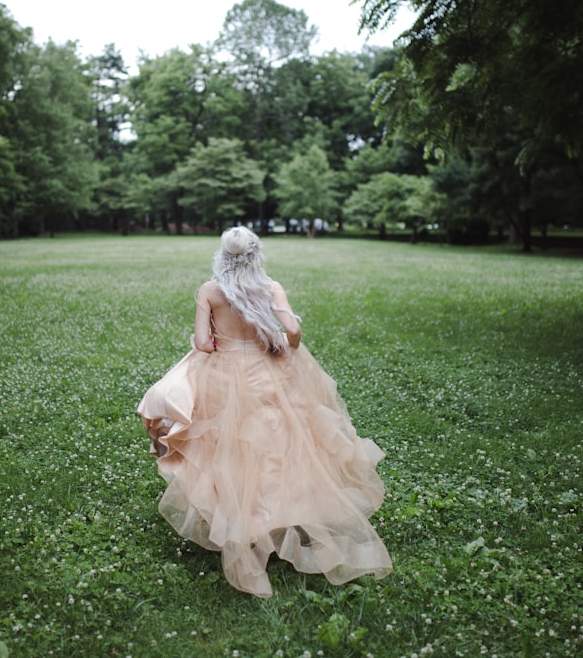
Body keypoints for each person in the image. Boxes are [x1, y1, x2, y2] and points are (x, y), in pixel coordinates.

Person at [137, 227, 392, 597]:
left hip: (224, 376)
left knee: (227, 446)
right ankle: (279, 512)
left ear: (222, 256)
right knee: (277, 442)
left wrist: (219, 340)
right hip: (267, 373)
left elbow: (202, 346)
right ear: (257, 255)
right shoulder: (270, 288)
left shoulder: (209, 291)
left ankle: (242, 517)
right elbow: (292, 329)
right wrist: (280, 343)